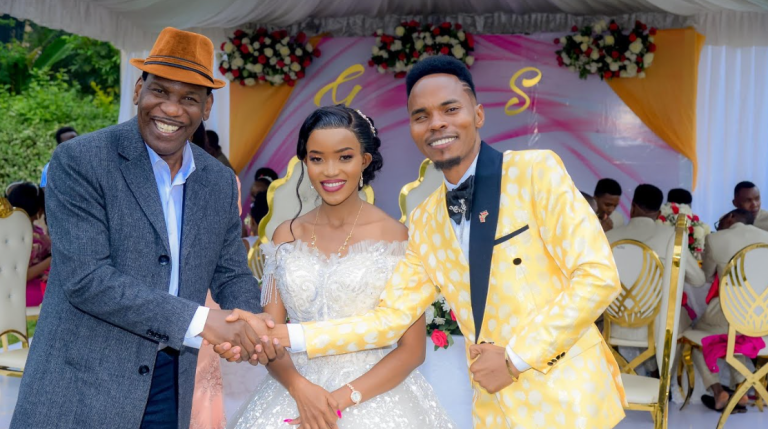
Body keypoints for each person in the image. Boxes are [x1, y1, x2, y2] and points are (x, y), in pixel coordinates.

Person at [222, 56, 626, 428]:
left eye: (450, 109)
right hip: (495, 408)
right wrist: (289, 336)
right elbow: (390, 318)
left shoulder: (534, 172)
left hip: (567, 397)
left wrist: (516, 358)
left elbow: (598, 277)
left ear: (478, 114)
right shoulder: (425, 220)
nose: (436, 124)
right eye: (421, 116)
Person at [10, 27, 280, 429]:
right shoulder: (80, 161)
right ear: (139, 89)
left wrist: (252, 324)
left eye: (188, 98)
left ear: (207, 107)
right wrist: (204, 323)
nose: (171, 109)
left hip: (170, 379)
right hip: (82, 381)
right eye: (160, 91)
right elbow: (87, 280)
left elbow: (231, 273)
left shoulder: (219, 181)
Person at [226, 105, 456, 428]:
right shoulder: (284, 236)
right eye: (317, 159)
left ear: (364, 160)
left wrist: (336, 401)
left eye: (344, 157)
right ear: (305, 162)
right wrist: (299, 388)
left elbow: (412, 350)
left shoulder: (397, 237)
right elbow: (270, 334)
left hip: (374, 396)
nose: (330, 171)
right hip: (292, 390)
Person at [605, 184, 705, 371]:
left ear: (632, 207)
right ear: (659, 213)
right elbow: (698, 280)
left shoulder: (609, 237)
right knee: (687, 319)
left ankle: (632, 372)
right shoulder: (673, 238)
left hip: (615, 324)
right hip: (658, 328)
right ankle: (664, 376)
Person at [693, 208, 768, 412]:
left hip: (726, 313)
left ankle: (718, 391)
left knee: (697, 339)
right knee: (737, 339)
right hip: (760, 317)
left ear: (731, 217)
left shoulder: (715, 239)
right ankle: (741, 391)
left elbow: (706, 277)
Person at [7, 182, 51, 307]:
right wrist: (51, 260)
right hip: (22, 291)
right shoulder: (17, 236)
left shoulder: (32, 230)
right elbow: (22, 275)